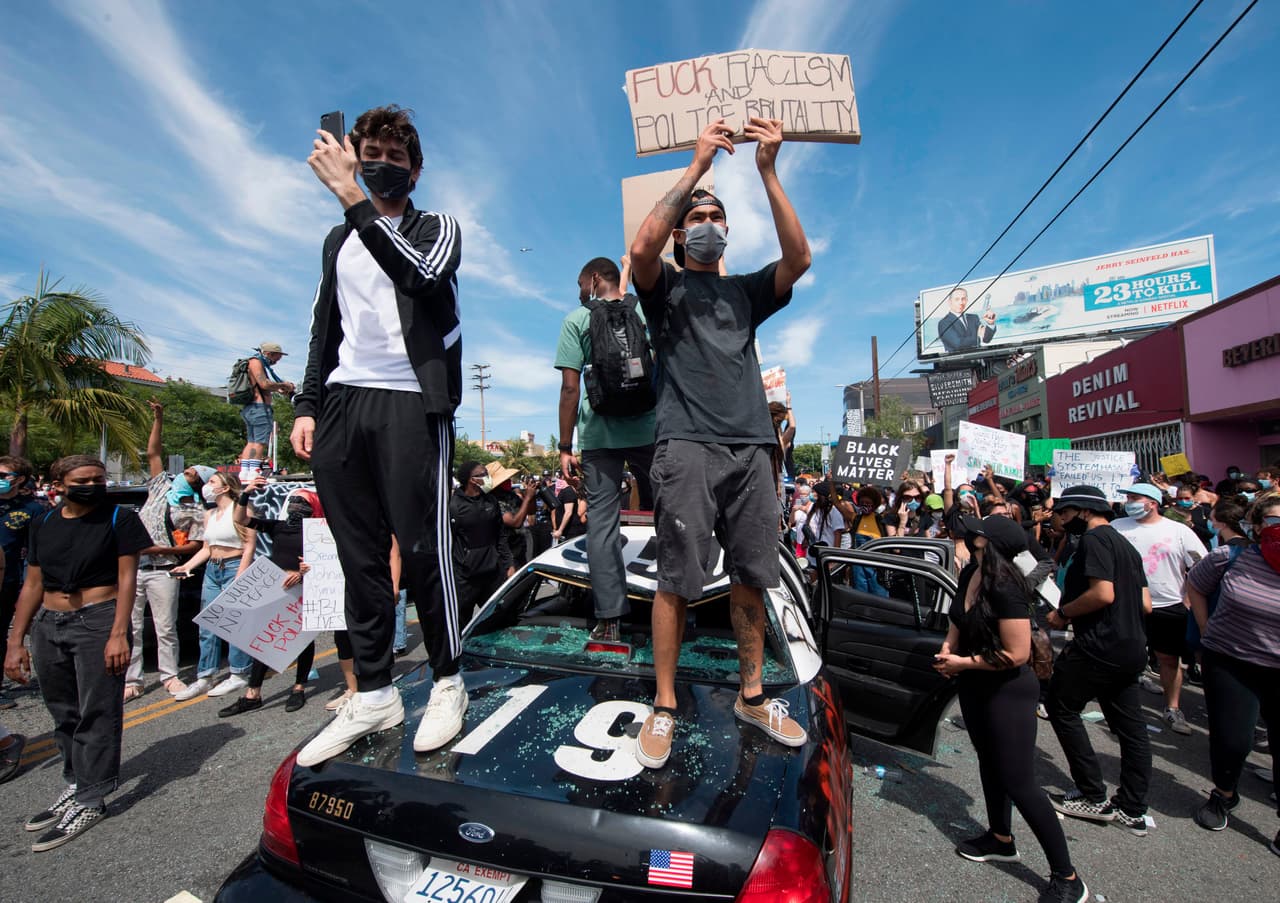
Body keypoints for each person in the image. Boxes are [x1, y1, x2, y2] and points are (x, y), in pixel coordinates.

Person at [628, 115, 811, 769]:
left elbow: (799, 258)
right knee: (676, 581)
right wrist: (697, 166)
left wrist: (767, 170)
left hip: (753, 448)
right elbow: (641, 250)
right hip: (686, 445)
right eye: (698, 217)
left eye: (717, 217)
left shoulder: (744, 292)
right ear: (682, 233)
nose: (709, 224)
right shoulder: (665, 288)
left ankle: (752, 695)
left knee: (753, 578)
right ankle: (666, 703)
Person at [291, 104, 465, 765]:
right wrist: (307, 404)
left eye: (396, 157)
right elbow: (323, 328)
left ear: (415, 170)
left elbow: (419, 274)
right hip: (343, 403)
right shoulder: (337, 241)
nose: (382, 166)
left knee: (423, 547)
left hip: (412, 400)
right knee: (357, 556)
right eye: (371, 156)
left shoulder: (437, 227)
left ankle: (448, 679)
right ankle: (373, 691)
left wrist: (351, 198)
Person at [934, 516, 1088, 903]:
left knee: (1020, 783)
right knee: (989, 763)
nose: (968, 535)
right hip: (974, 684)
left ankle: (1067, 876)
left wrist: (963, 663)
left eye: (976, 533)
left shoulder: (1005, 586)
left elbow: (1017, 654)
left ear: (989, 543)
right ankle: (1000, 838)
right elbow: (957, 619)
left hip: (1008, 691)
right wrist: (949, 648)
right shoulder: (970, 571)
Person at [3, 455, 152, 851]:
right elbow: (32, 583)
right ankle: (76, 782)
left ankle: (91, 798)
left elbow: (127, 579)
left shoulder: (120, 519)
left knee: (97, 711)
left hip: (98, 621)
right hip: (49, 623)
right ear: (58, 485)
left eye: (98, 479)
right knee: (63, 711)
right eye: (82, 480)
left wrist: (118, 634)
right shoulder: (43, 522)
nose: (92, 486)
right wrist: (16, 641)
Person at [555, 255, 656, 642]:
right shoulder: (643, 312)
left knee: (602, 525)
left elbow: (570, 388)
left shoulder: (576, 321)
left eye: (581, 284)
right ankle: (676, 601)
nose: (580, 291)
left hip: (599, 435)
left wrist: (566, 446)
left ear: (594, 279)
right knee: (672, 512)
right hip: (649, 429)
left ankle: (610, 617)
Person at [1044, 485, 1153, 835]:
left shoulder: (1093, 540)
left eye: (1065, 513)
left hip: (1099, 645)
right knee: (1132, 730)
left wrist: (1063, 613)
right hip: (1131, 646)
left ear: (1084, 511)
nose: (1062, 520)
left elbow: (1102, 593)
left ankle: (1092, 794)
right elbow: (1146, 604)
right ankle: (1132, 808)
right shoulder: (1127, 546)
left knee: (1061, 706)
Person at [1185, 491, 1280, 854]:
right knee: (1232, 741)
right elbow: (1195, 585)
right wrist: (1205, 628)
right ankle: (1224, 793)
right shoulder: (1231, 557)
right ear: (1256, 526)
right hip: (1231, 662)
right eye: (1275, 521)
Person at [123, 400, 208, 702]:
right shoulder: (160, 488)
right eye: (186, 471)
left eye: (192, 475)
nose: (185, 474)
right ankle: (132, 680)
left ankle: (170, 676)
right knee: (131, 626)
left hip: (165, 570)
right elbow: (154, 453)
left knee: (165, 627)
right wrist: (158, 419)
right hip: (134, 569)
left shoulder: (195, 510)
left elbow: (195, 545)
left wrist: (160, 548)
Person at [218, 482, 322, 716]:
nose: (296, 505)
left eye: (302, 502)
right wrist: (245, 494)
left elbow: (325, 561)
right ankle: (253, 694)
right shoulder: (278, 527)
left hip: (303, 589)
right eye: (293, 501)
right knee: (264, 639)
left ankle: (299, 687)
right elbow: (241, 520)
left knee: (303, 639)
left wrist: (302, 573)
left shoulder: (319, 533)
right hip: (277, 590)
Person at [1111, 483, 1206, 735]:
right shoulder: (1116, 527)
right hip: (1126, 606)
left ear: (1152, 503)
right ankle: (1123, 707)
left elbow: (1201, 567)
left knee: (1168, 659)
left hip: (1168, 605)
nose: (1129, 502)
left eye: (1134, 498)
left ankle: (1172, 707)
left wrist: (1188, 599)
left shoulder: (1179, 531)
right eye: (1128, 498)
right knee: (1125, 656)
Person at [172, 472, 257, 700]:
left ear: (225, 487)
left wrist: (241, 575)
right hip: (212, 569)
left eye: (212, 482)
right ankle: (205, 676)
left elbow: (249, 545)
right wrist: (187, 566)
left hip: (234, 565)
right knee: (208, 624)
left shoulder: (241, 510)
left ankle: (239, 672)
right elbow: (206, 548)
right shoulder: (209, 514)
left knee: (234, 622)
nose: (207, 486)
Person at [0, 455, 48, 709]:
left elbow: (36, 554)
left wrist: (25, 590)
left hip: (9, 582)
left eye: (3, 476)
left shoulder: (33, 510)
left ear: (19, 480)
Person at [449, 461, 513, 628]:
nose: (488, 477)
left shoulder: (491, 501)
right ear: (472, 480)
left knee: (497, 621)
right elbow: (448, 542)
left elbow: (500, 535)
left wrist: (508, 564)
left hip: (492, 574)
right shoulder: (454, 506)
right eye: (484, 474)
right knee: (461, 624)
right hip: (465, 579)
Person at [237, 342, 295, 482]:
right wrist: (284, 384)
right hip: (259, 408)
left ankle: (245, 472)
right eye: (276, 358)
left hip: (251, 408)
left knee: (251, 441)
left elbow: (262, 385)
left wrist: (278, 389)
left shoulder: (253, 363)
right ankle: (253, 472)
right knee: (260, 441)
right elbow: (264, 383)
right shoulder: (256, 362)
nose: (276, 361)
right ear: (269, 353)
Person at [486, 463, 535, 571]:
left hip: (520, 546)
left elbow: (530, 511)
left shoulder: (511, 496)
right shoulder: (492, 501)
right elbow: (515, 523)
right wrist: (527, 498)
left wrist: (531, 497)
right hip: (507, 549)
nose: (509, 481)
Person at [937, 287, 996, 353]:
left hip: (979, 357)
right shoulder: (944, 323)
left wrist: (990, 323)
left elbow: (986, 339)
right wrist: (978, 337)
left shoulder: (974, 318)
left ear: (967, 300)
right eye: (957, 299)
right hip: (958, 359)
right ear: (950, 302)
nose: (961, 302)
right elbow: (958, 344)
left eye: (963, 299)